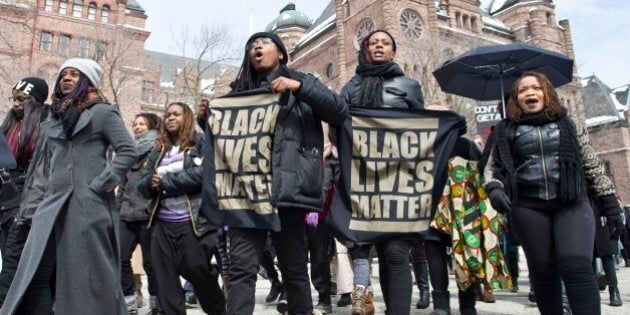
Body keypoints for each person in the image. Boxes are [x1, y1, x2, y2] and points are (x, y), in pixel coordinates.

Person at [198, 31, 346, 315]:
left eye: (264, 43)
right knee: (242, 270)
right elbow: (224, 144)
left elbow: (339, 111)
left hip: (289, 192)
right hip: (247, 194)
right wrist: (208, 120)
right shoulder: (238, 94)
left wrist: (298, 87)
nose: (257, 47)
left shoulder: (304, 82)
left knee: (294, 269)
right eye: (252, 45)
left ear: (281, 53)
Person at [0, 58, 137, 314]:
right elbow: (43, 166)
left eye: (75, 74)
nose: (67, 78)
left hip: (88, 206)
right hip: (50, 205)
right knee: (34, 272)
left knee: (85, 277)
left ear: (87, 81)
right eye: (64, 74)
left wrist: (100, 185)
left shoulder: (103, 112)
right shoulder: (55, 117)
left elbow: (128, 151)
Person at [484, 71, 625, 315]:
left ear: (547, 93)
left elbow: (592, 165)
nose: (530, 93)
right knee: (543, 270)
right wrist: (494, 188)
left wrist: (611, 206)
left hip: (571, 202)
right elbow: (490, 168)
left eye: (536, 88)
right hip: (528, 206)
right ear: (515, 99)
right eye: (523, 90)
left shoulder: (570, 124)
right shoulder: (505, 130)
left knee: (576, 266)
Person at [340, 29, 423, 315]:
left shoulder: (409, 86)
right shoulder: (350, 87)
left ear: (393, 51)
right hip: (362, 179)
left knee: (396, 252)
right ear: (365, 50)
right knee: (366, 250)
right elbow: (340, 129)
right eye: (373, 42)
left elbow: (420, 131)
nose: (378, 46)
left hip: (399, 178)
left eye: (384, 43)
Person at [137, 102, 225, 315]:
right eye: (167, 115)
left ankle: (219, 310)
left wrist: (166, 181)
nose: (171, 118)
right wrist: (150, 183)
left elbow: (206, 174)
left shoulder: (201, 142)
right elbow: (141, 183)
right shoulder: (159, 148)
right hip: (161, 224)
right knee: (165, 281)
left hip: (193, 223)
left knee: (197, 269)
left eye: (176, 114)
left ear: (187, 118)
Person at [117, 112, 160, 314]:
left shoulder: (159, 150)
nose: (137, 127)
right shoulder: (128, 152)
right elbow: (123, 187)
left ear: (151, 127)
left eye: (141, 124)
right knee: (119, 257)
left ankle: (156, 304)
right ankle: (129, 303)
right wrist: (118, 211)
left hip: (149, 216)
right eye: (134, 124)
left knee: (152, 263)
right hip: (126, 215)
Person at [0, 77, 49, 252]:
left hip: (29, 198)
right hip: (5, 197)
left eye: (21, 99)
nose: (16, 104)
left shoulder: (47, 126)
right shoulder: (8, 125)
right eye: (14, 98)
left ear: (35, 100)